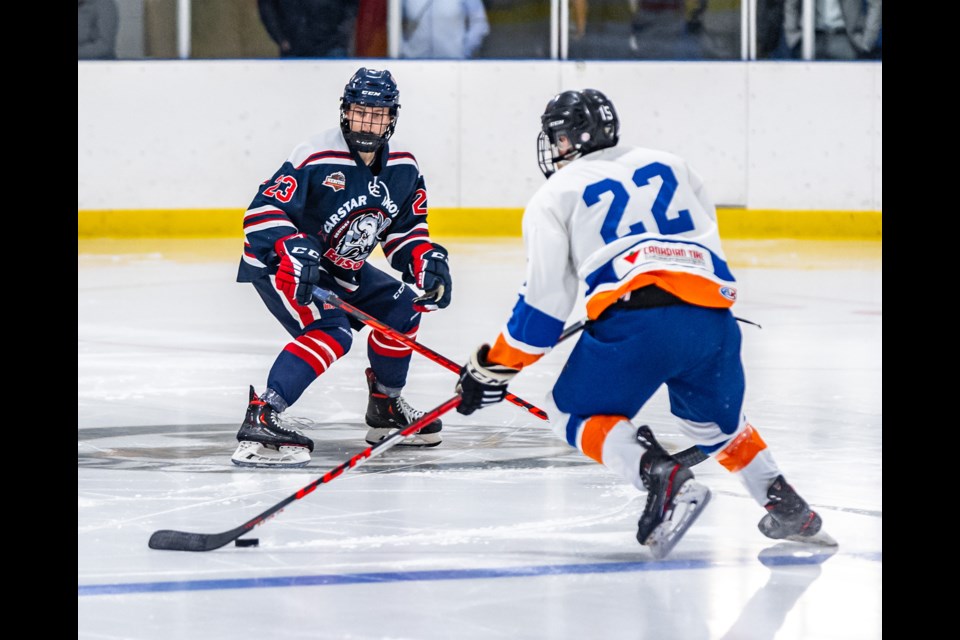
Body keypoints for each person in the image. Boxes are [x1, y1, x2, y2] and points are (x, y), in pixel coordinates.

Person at [455, 89, 831, 559]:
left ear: (573, 138)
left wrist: (492, 368)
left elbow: (543, 310)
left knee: (570, 412)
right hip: (713, 321)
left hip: (639, 326)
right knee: (715, 427)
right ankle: (788, 506)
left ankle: (659, 475)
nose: (555, 148)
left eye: (558, 138)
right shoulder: (672, 164)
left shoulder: (554, 194)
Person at [233, 67, 453, 468]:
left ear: (392, 117)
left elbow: (404, 232)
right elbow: (262, 212)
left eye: (377, 112)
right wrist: (292, 246)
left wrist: (425, 260)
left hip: (341, 267)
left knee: (405, 307)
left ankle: (386, 407)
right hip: (284, 266)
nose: (367, 121)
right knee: (331, 330)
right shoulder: (314, 155)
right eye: (359, 110)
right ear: (345, 112)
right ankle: (263, 413)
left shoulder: (404, 166)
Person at [258, 0, 359, 58]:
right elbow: (267, 7)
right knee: (292, 89)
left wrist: (342, 34)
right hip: (293, 44)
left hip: (333, 43)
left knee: (335, 87)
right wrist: (280, 38)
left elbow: (352, 6)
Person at [784, 0, 882, 60]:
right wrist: (792, 34)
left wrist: (867, 40)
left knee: (849, 89)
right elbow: (791, 3)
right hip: (810, 38)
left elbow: (876, 3)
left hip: (846, 39)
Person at [401, 0, 490, 59]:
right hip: (413, 62)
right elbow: (393, 20)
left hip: (453, 64)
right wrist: (402, 48)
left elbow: (479, 22)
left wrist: (464, 50)